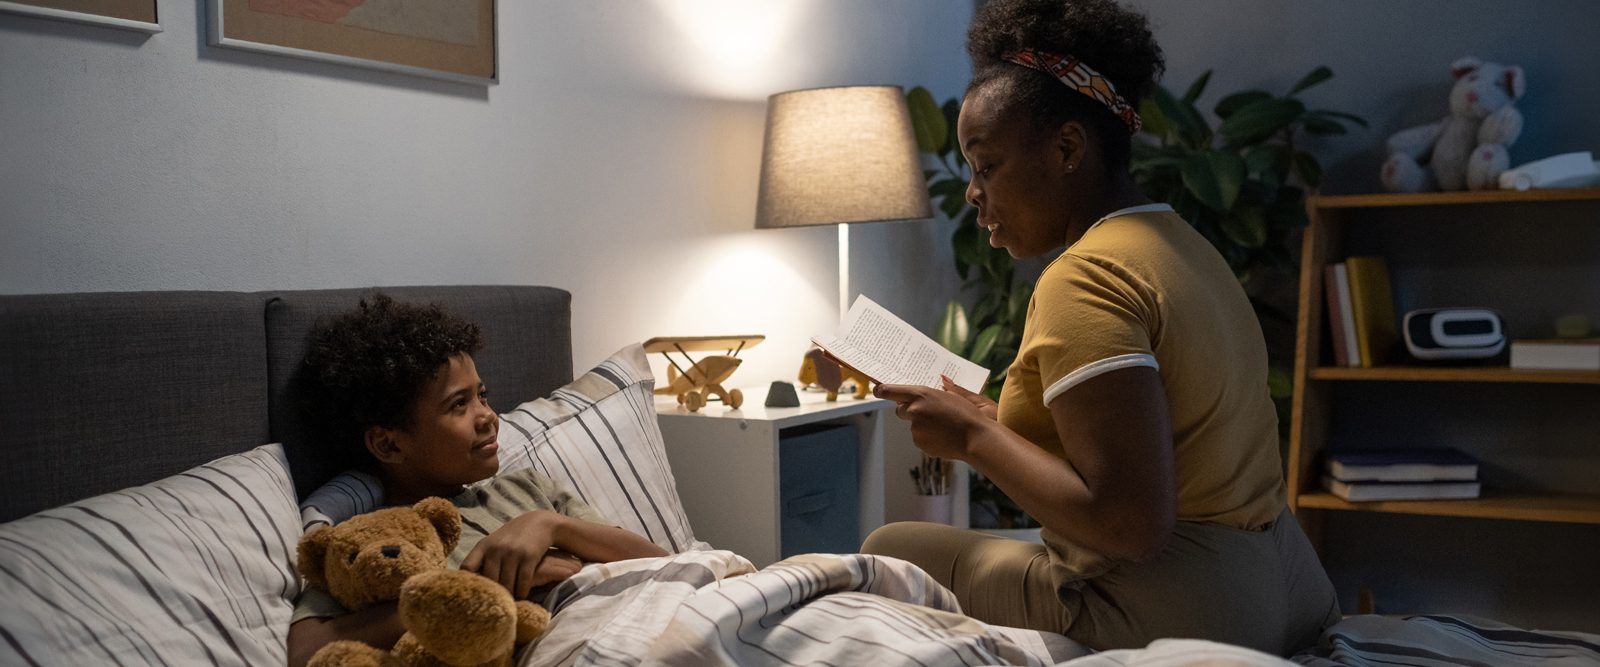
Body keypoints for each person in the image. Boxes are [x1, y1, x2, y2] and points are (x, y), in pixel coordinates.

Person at [861, 0, 1339, 656]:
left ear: (1067, 148)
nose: (973, 193)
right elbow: (1144, 440)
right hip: (1287, 582)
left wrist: (974, 438)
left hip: (1195, 605)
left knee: (889, 550)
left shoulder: (1084, 279)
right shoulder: (1182, 246)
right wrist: (995, 417)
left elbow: (1131, 523)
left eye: (986, 164)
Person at [284, 294, 667, 667]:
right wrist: (476, 587)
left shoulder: (528, 489)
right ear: (388, 443)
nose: (487, 416)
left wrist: (550, 525)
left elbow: (663, 561)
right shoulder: (372, 542)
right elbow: (306, 651)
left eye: (481, 396)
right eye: (459, 405)